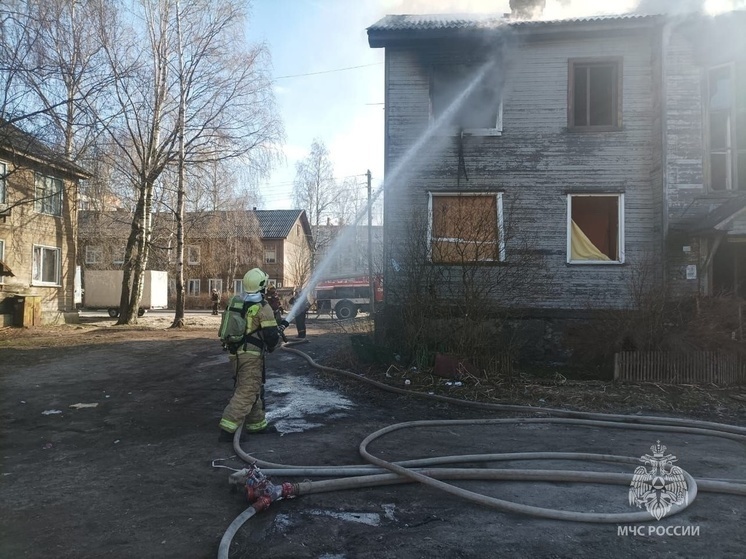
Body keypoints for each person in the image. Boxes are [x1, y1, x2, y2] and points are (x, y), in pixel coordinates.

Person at [218, 268, 280, 442]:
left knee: (252, 388)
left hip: (235, 353)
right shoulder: (262, 307)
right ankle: (227, 430)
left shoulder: (236, 301)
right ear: (262, 285)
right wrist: (275, 339)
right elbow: (271, 337)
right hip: (251, 356)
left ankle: (256, 424)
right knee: (247, 390)